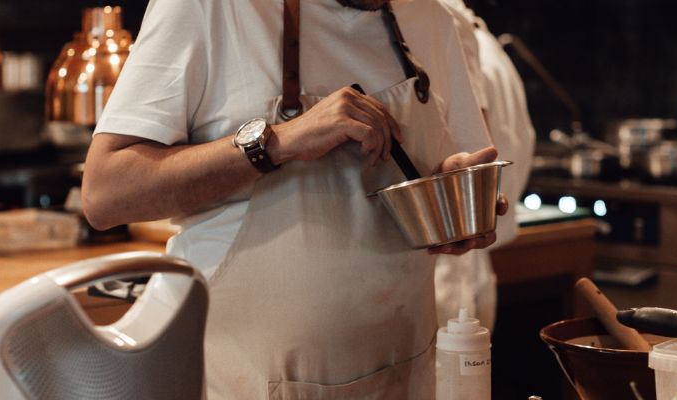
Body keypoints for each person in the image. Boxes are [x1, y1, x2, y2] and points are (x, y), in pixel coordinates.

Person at [82, 0, 509, 398]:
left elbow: (454, 157)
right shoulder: (210, 9)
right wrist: (278, 140)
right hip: (243, 377)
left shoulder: (432, 18)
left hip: (404, 369)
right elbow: (107, 195)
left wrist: (454, 195)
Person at [434, 0, 536, 331]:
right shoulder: (489, 43)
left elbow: (477, 150)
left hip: (447, 270)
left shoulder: (446, 23)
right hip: (471, 265)